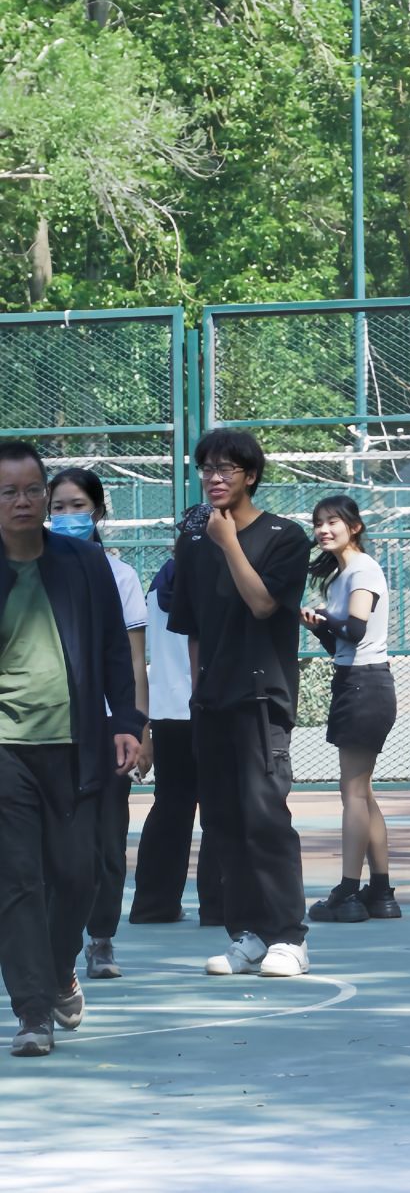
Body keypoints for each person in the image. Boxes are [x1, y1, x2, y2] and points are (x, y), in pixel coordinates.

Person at [0, 441, 142, 1057]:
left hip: (77, 744)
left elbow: (114, 646)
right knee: (18, 881)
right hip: (6, 749)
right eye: (8, 492)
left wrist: (127, 720)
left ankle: (60, 970)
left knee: (78, 874)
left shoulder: (83, 563)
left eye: (32, 489)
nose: (23, 501)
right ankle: (33, 1013)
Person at [168, 430, 314, 980]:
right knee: (223, 822)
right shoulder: (193, 542)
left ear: (250, 475)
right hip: (212, 702)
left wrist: (228, 541)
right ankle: (247, 934)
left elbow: (262, 604)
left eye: (226, 468)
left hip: (261, 699)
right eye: (207, 468)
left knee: (264, 817)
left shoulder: (284, 537)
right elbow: (192, 629)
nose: (214, 477)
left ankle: (289, 936)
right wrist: (197, 692)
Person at [47, 468, 150, 981]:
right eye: (58, 507)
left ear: (98, 512)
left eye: (77, 506)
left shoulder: (119, 575)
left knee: (107, 841)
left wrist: (138, 727)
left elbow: (132, 660)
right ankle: (54, 944)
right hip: (49, 729)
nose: (68, 516)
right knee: (55, 844)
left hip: (107, 729)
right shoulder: (32, 571)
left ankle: (101, 937)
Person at [300, 496, 399, 924]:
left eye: (333, 522)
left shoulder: (362, 569)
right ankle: (381, 892)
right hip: (355, 682)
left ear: (354, 526)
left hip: (365, 685)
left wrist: (323, 618)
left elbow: (355, 630)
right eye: (318, 522)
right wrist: (318, 626)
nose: (324, 529)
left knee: (353, 793)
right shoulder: (341, 575)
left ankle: (348, 891)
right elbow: (340, 642)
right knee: (363, 792)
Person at [128, 541, 223, 928]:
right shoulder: (213, 581)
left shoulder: (158, 586)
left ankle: (154, 904)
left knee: (170, 807)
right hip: (209, 707)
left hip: (167, 710)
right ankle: (218, 906)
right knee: (219, 808)